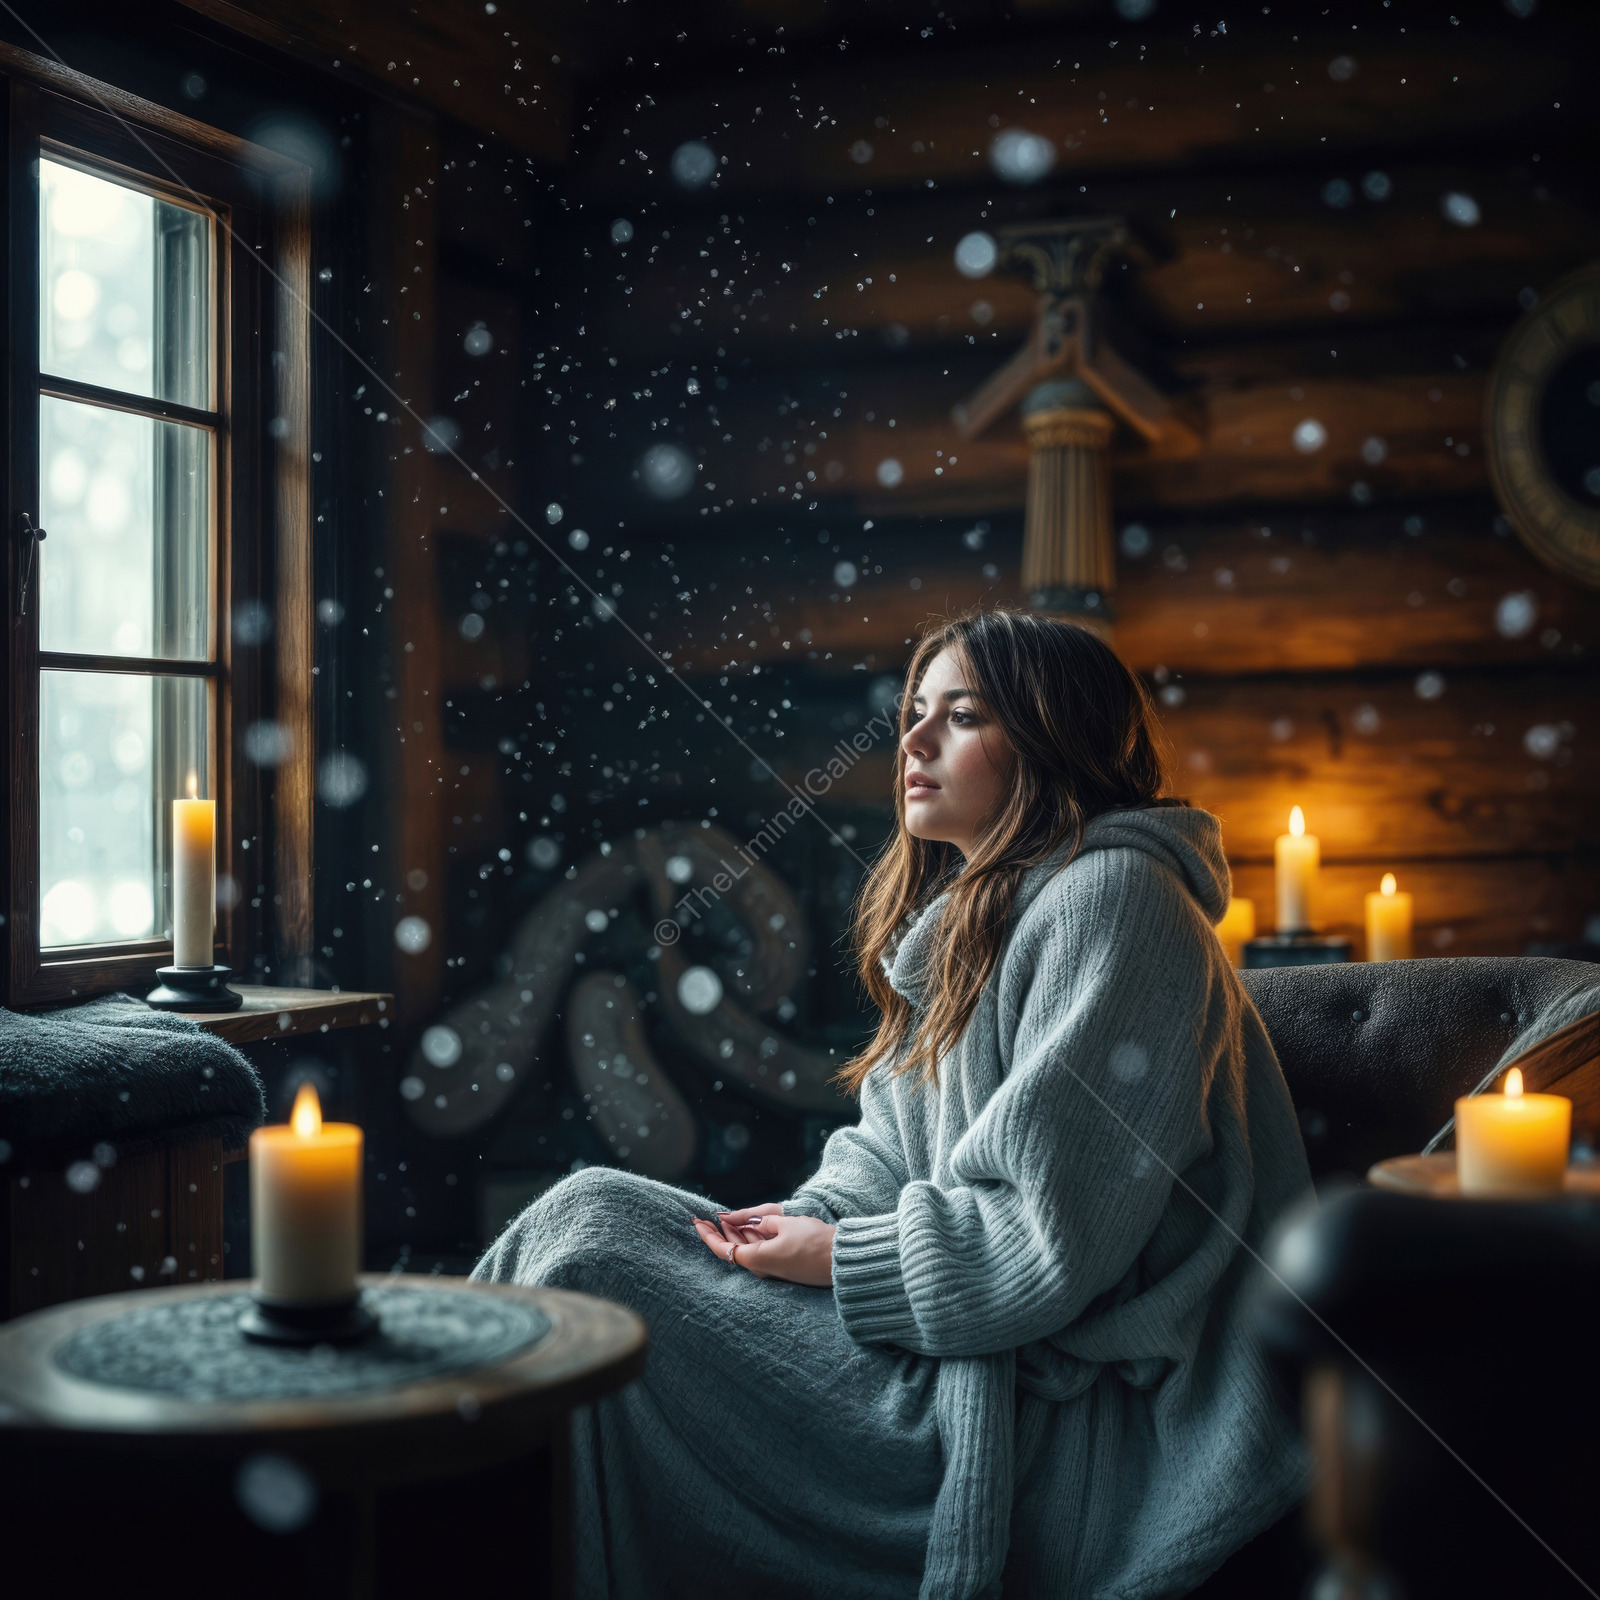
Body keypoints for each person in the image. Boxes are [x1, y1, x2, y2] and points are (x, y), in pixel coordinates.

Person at [473, 608, 1314, 1599]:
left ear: (1054, 741)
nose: (910, 741)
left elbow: (1050, 1241)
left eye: (960, 716)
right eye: (917, 712)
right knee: (590, 1217)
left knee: (596, 1254)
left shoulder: (1116, 901)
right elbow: (886, 1145)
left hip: (1060, 1401)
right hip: (955, 1338)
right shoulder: (975, 918)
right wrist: (805, 1224)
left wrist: (837, 1257)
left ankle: (442, 1529)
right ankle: (443, 1505)